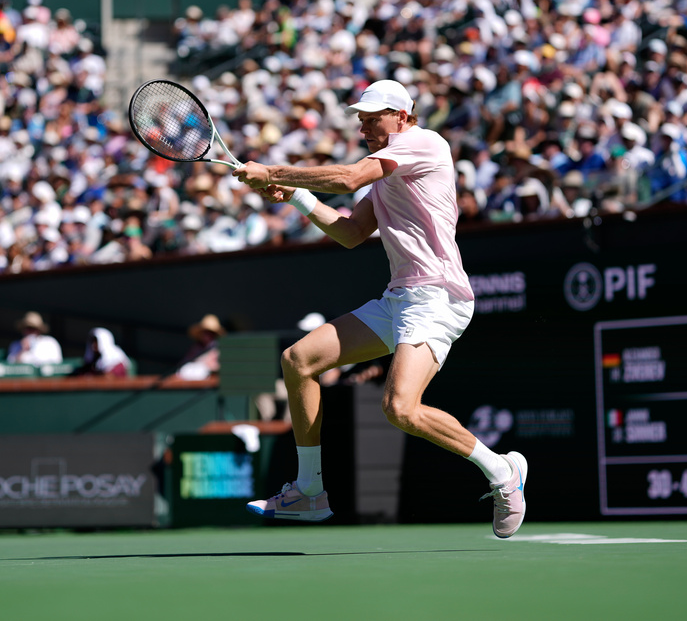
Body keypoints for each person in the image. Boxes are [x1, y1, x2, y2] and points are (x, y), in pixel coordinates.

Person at [233, 79, 527, 538]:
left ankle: (503, 471)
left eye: (375, 118)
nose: (366, 127)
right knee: (298, 361)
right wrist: (297, 197)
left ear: (403, 117)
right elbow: (350, 233)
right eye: (362, 119)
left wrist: (273, 172)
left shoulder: (423, 143)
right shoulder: (389, 171)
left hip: (438, 296)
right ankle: (310, 491)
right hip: (400, 297)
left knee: (399, 408)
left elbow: (349, 177)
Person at [173, 314, 225, 381]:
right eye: (205, 332)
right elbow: (185, 363)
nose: (207, 335)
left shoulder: (218, 347)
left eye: (210, 333)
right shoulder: (197, 347)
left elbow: (217, 366)